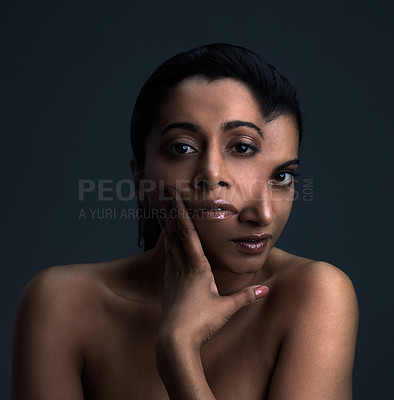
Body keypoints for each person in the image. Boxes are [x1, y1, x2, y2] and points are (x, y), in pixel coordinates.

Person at [11, 43, 359, 399]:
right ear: (140, 178)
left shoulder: (313, 295)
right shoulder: (62, 304)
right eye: (183, 148)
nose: (264, 215)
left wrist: (178, 354)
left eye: (282, 177)